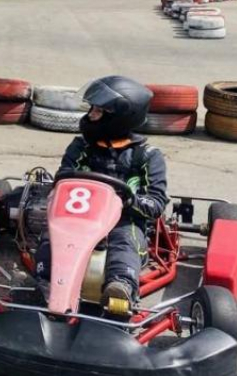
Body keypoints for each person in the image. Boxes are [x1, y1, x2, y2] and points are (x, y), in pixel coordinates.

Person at [34, 76, 169, 305]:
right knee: (53, 236)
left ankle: (120, 286)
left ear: (118, 118)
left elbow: (156, 204)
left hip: (124, 219)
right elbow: (63, 178)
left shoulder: (146, 155)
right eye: (92, 109)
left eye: (97, 111)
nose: (90, 116)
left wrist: (128, 201)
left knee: (126, 239)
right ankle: (46, 282)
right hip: (76, 216)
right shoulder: (81, 147)